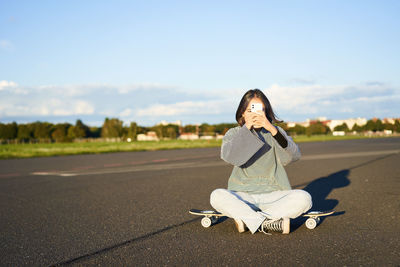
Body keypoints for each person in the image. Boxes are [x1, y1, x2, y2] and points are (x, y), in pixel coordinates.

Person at [210, 89, 312, 234]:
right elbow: (229, 156)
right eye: (250, 110)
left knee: (304, 198)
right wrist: (247, 129)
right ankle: (268, 222)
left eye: (260, 110)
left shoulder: (276, 132)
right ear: (243, 113)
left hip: (274, 194)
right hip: (243, 194)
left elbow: (294, 156)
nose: (255, 114)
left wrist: (271, 129)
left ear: (266, 112)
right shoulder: (234, 133)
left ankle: (249, 220)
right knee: (217, 195)